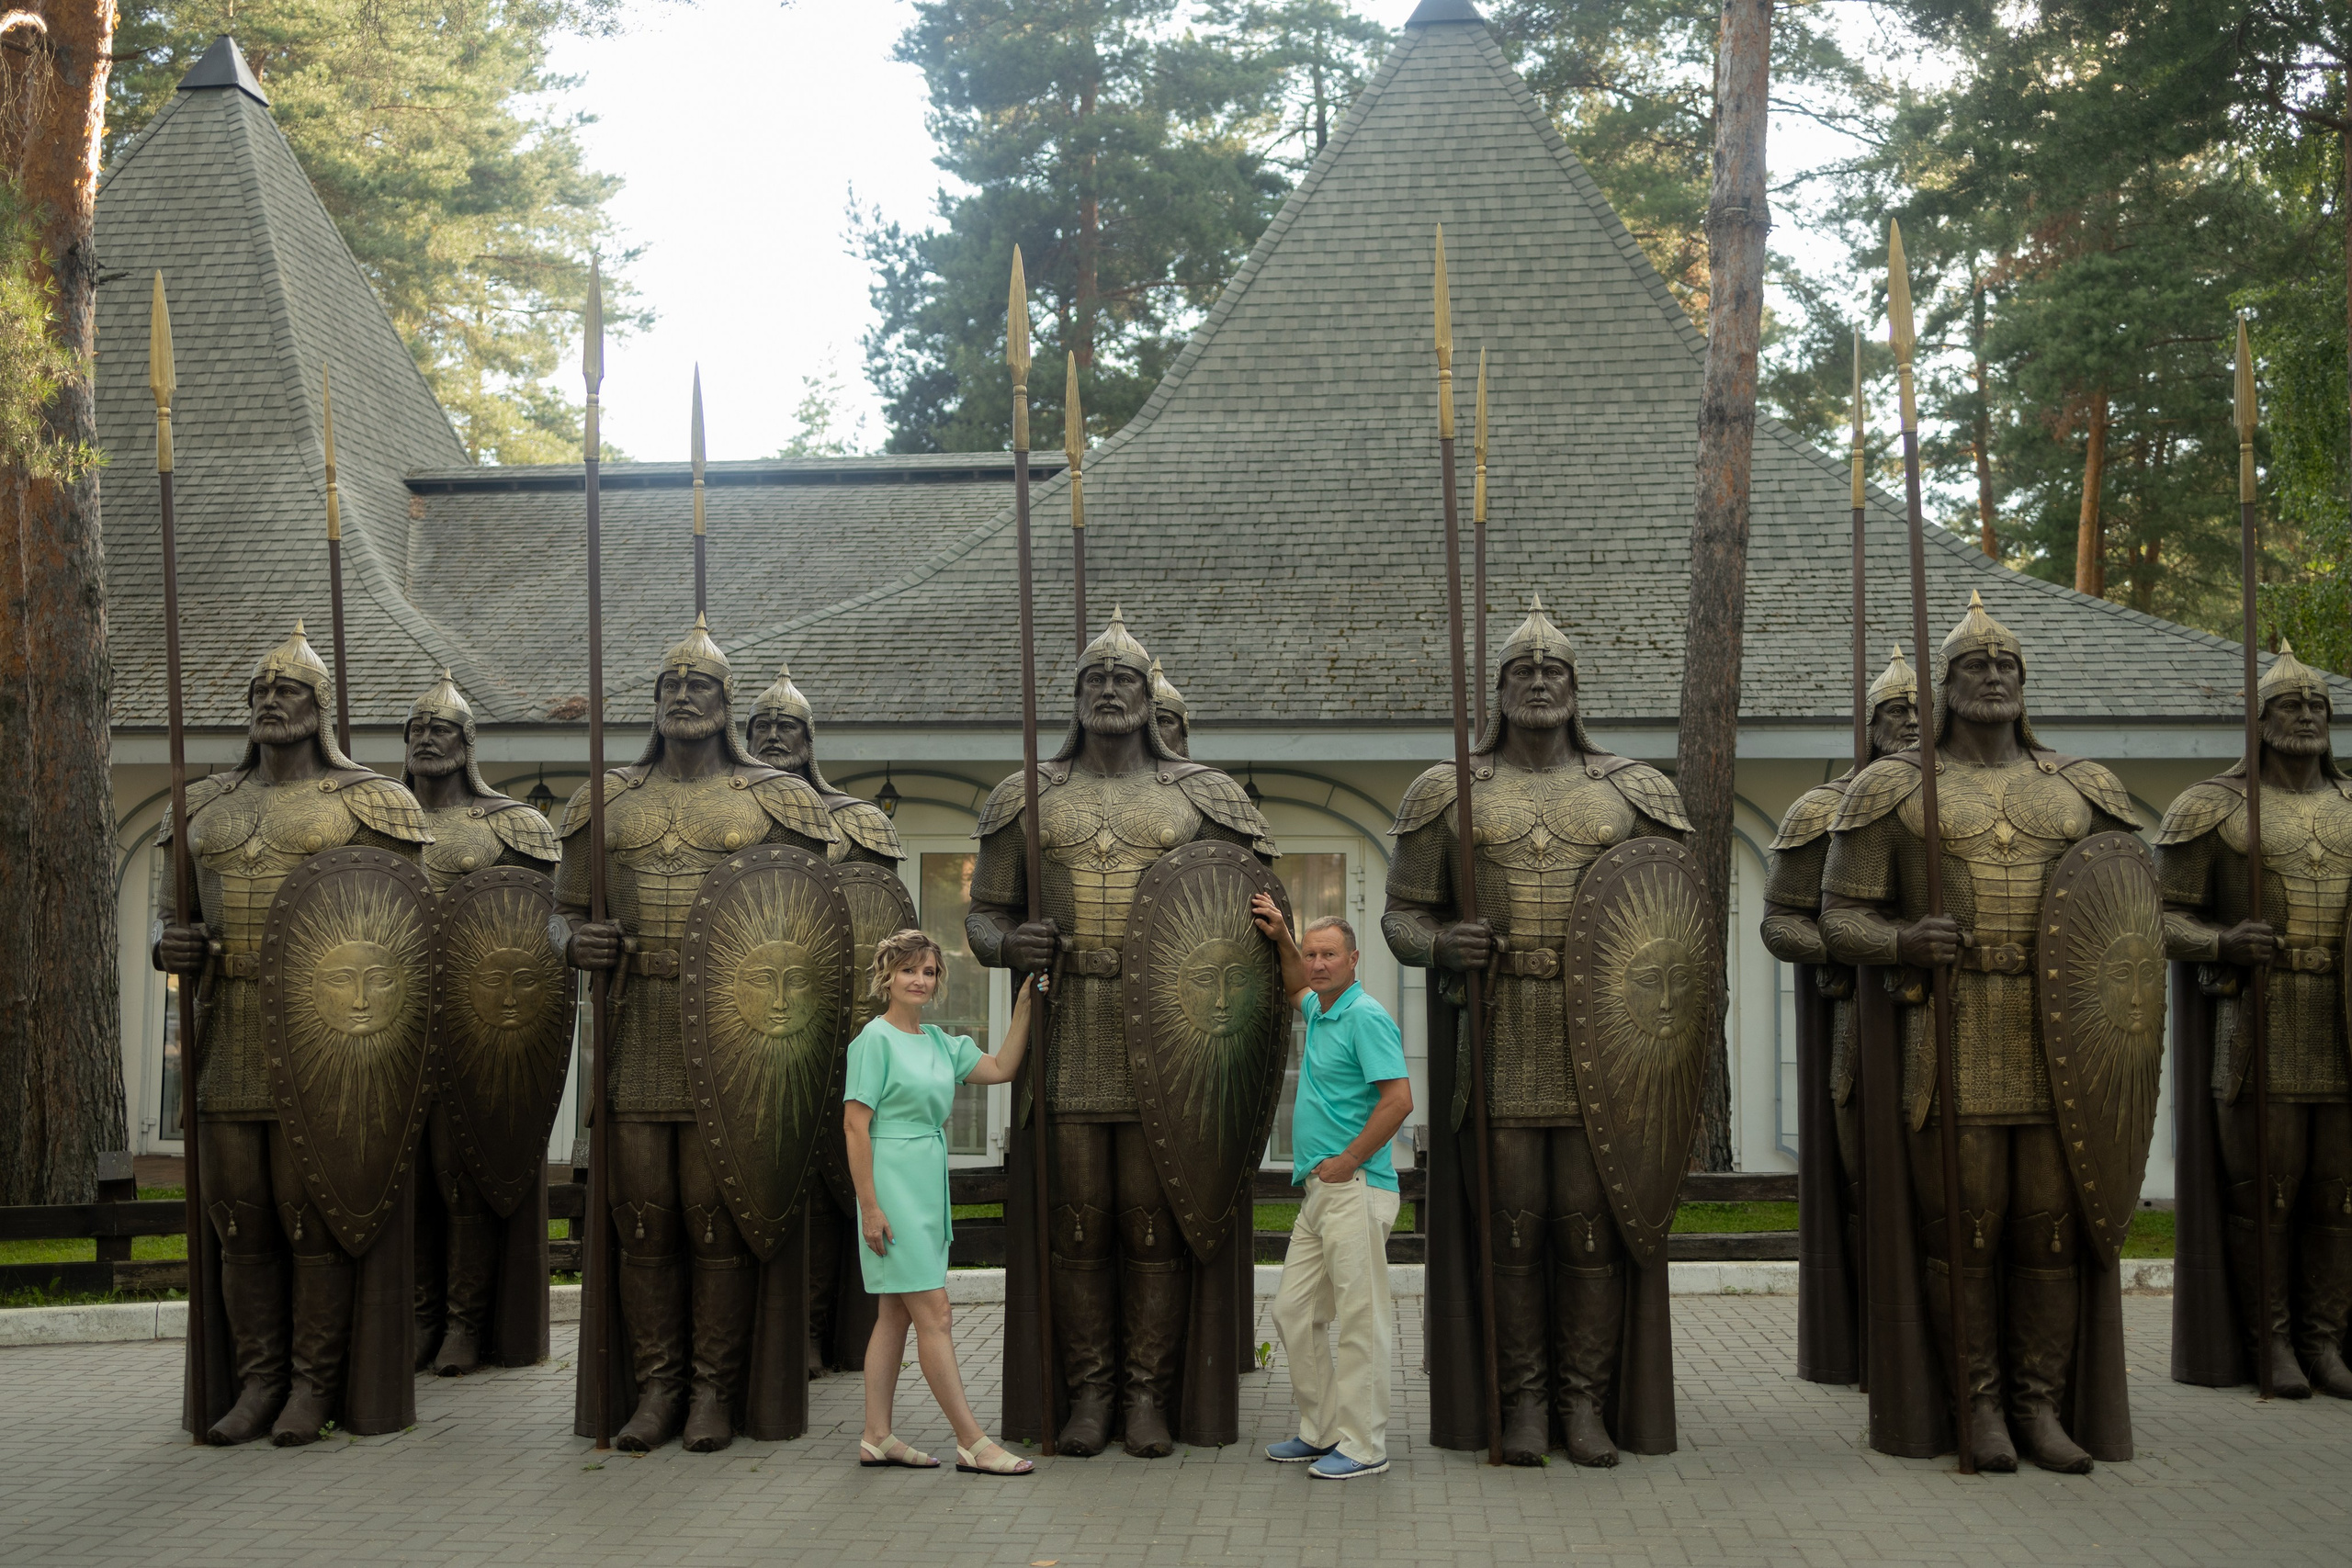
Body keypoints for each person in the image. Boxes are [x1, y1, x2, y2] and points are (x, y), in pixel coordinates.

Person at [1821, 592, 2154, 1472]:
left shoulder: (2081, 788)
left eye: (2007, 664)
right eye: (1975, 665)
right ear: (1945, 686)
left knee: (2047, 1230)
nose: (1994, 675)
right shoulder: (1895, 788)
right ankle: (1977, 1406)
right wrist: (1902, 938)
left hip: (2064, 1043)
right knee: (1964, 1229)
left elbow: (2134, 903)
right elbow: (1837, 916)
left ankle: (2039, 1404)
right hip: (1953, 1036)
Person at [1383, 594, 1698, 1467]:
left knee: (1590, 1229)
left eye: (1553, 668)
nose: (1538, 680)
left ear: (1575, 686)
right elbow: (1402, 916)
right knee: (1515, 1229)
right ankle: (1520, 1403)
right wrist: (1447, 940)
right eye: (1522, 669)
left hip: (1611, 1039)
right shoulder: (1450, 788)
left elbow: (1678, 914)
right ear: (1499, 687)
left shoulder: (1634, 790)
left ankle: (1584, 1404)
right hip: (1505, 1035)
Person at [967, 607, 1279, 1457]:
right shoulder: (1028, 794)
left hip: (1172, 1038)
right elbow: (984, 916)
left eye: (1126, 679)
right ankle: (1090, 1394)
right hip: (1070, 1031)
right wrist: (1010, 941)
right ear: (1075, 697)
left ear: (1148, 695)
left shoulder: (1203, 795)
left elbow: (1258, 904)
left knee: (1149, 1219)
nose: (1110, 689)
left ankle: (1146, 1395)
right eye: (1095, 679)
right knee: (1079, 1221)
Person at [558, 613, 840, 1452]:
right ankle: (657, 1388)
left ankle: (716, 1389)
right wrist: (578, 942)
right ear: (654, 702)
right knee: (645, 1216)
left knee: (716, 1218)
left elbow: (811, 918)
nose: (684, 696)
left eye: (702, 686)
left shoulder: (778, 800)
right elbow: (558, 915)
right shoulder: (605, 800)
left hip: (740, 1039)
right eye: (671, 685)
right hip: (640, 1027)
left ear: (726, 702)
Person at [153, 621, 431, 1445]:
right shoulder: (201, 809)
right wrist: (175, 946)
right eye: (261, 692)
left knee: (312, 1218)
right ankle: (257, 1382)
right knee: (241, 1221)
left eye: (290, 691)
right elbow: (177, 921)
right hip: (230, 1031)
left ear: (321, 708)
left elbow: (405, 931)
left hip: (331, 1041)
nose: (272, 702)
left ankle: (313, 1386)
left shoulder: (371, 805)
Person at [2161, 641, 2352, 1397]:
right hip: (2258, 1028)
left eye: (2316, 706)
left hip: (2343, 1026)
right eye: (2287, 706)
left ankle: (2325, 1339)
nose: (2304, 717)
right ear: (2260, 721)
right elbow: (2157, 916)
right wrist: (2223, 941)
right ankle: (2267, 1341)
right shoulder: (2215, 808)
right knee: (2266, 1192)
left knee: (2337, 1196)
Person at [744, 660, 910, 1378]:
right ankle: (776, 1333)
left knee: (831, 1186)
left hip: (844, 1034)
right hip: (757, 1030)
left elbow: (886, 924)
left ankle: (821, 1331)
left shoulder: (857, 822)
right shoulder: (736, 816)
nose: (774, 736)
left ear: (810, 740)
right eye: (761, 727)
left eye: (787, 726)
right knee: (765, 1186)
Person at [1760, 646, 1919, 1384]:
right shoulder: (1826, 808)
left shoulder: (1963, 800)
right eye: (1895, 711)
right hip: (1866, 1023)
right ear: (1869, 725)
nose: (1911, 720)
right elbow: (1780, 921)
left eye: (1922, 708)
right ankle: (1870, 1333)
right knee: (1871, 1184)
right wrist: (1841, 947)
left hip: (1967, 1022)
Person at [401, 670, 564, 1377]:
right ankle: (417, 1316)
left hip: (480, 1029)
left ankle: (467, 1322)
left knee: (460, 1178)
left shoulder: (513, 826)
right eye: (417, 730)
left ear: (468, 742)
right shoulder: (380, 817)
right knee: (401, 1182)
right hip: (391, 1026)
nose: (428, 739)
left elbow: (545, 930)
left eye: (442, 729)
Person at [845, 929, 1040, 1474]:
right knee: (936, 1313)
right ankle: (973, 1442)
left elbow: (1001, 1067)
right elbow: (855, 1128)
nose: (919, 980)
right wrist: (870, 1207)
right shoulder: (873, 1041)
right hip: (891, 1183)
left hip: (927, 1184)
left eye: (929, 971)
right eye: (909, 970)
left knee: (894, 1316)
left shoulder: (939, 1042)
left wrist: (1024, 1004)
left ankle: (876, 1436)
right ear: (887, 976)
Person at [1250, 897, 1412, 1480]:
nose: (1318, 964)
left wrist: (1348, 1160)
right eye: (1313, 955)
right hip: (1321, 1193)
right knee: (1294, 1312)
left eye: (1329, 955)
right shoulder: (1321, 1010)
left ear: (1354, 960)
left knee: (1361, 1320)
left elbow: (1399, 1101)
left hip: (1357, 1186)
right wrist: (1285, 940)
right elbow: (1295, 983)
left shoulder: (1364, 1015)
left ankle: (1365, 1447)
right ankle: (1321, 1432)